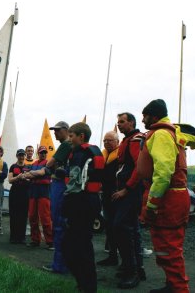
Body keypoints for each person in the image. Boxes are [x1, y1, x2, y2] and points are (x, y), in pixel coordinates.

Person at [138, 99, 193, 293]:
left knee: (170, 247)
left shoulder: (161, 134)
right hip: (171, 197)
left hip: (168, 199)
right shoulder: (169, 132)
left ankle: (179, 288)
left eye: (144, 115)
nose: (142, 119)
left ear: (153, 116)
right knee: (164, 245)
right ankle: (172, 284)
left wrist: (152, 205)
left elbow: (163, 173)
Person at [61, 122, 104, 293]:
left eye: (71, 136)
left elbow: (74, 183)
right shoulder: (94, 152)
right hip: (91, 201)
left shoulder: (79, 153)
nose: (69, 139)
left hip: (80, 203)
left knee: (75, 247)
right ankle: (85, 284)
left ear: (81, 136)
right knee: (80, 245)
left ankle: (86, 286)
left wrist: (66, 205)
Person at [111, 112, 146, 289]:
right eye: (118, 122)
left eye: (122, 122)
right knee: (130, 230)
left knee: (122, 228)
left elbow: (139, 167)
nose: (119, 125)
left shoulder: (134, 140)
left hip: (130, 193)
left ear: (131, 123)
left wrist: (126, 189)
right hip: (128, 191)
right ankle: (134, 267)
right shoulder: (128, 139)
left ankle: (132, 271)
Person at [40, 121, 72, 274]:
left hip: (60, 186)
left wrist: (42, 170)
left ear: (66, 130)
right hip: (65, 186)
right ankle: (64, 263)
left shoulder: (66, 145)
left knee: (58, 224)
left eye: (58, 130)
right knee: (64, 226)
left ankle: (59, 265)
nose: (55, 133)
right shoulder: (72, 146)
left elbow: (51, 163)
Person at [97, 131, 120, 267]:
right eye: (105, 141)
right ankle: (112, 255)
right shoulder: (103, 155)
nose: (106, 143)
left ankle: (128, 260)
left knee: (120, 227)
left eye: (110, 140)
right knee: (109, 226)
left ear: (117, 142)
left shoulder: (121, 155)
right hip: (106, 194)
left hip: (117, 195)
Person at [24, 146, 53, 249]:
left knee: (45, 217)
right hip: (33, 192)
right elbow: (26, 175)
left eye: (45, 152)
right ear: (38, 153)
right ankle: (35, 240)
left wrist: (32, 174)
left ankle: (50, 241)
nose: (43, 154)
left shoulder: (48, 164)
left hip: (44, 192)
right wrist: (34, 174)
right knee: (32, 217)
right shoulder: (33, 164)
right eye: (41, 152)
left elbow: (40, 173)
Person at [7, 149, 30, 244]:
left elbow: (30, 179)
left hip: (24, 193)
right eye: (19, 155)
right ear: (17, 156)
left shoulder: (28, 168)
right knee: (14, 214)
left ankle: (21, 237)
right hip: (15, 192)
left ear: (25, 156)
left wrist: (26, 178)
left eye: (22, 155)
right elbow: (10, 180)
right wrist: (18, 177)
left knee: (23, 215)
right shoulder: (13, 166)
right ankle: (13, 237)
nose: (21, 157)